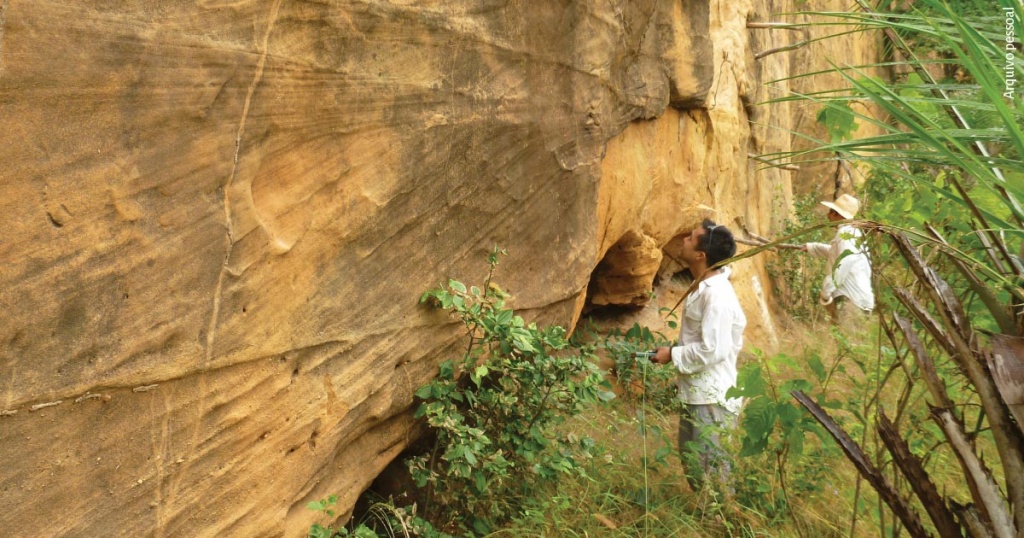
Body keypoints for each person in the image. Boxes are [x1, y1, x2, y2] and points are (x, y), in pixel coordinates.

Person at [651, 219, 746, 492]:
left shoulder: (717, 295)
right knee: (694, 463)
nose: (684, 240)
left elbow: (712, 349)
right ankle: (711, 519)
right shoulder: (704, 287)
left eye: (691, 238)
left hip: (712, 396)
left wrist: (673, 354)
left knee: (712, 472)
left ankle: (720, 524)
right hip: (699, 392)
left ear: (700, 255)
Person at [799, 194, 874, 324]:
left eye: (830, 212)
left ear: (838, 215)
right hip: (861, 299)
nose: (828, 216)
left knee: (849, 341)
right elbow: (836, 253)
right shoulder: (853, 234)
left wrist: (826, 291)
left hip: (850, 300)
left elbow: (845, 262)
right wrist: (813, 247)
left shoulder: (845, 235)